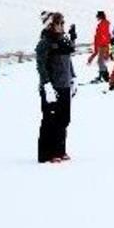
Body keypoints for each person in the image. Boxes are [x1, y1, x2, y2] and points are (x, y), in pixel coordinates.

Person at [35, 12, 76, 163]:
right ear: (51, 25)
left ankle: (60, 150)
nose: (61, 26)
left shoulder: (63, 41)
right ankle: (47, 154)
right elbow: (41, 65)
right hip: (52, 88)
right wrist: (46, 85)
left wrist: (73, 78)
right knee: (50, 120)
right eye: (59, 23)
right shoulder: (44, 43)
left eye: (62, 23)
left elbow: (68, 62)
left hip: (64, 85)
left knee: (64, 119)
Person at [87, 11, 112, 84]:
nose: (97, 17)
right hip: (101, 45)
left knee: (100, 61)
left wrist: (103, 44)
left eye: (97, 16)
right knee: (100, 61)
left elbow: (105, 35)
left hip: (102, 45)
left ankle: (104, 76)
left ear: (100, 16)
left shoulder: (103, 24)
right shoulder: (102, 23)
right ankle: (104, 76)